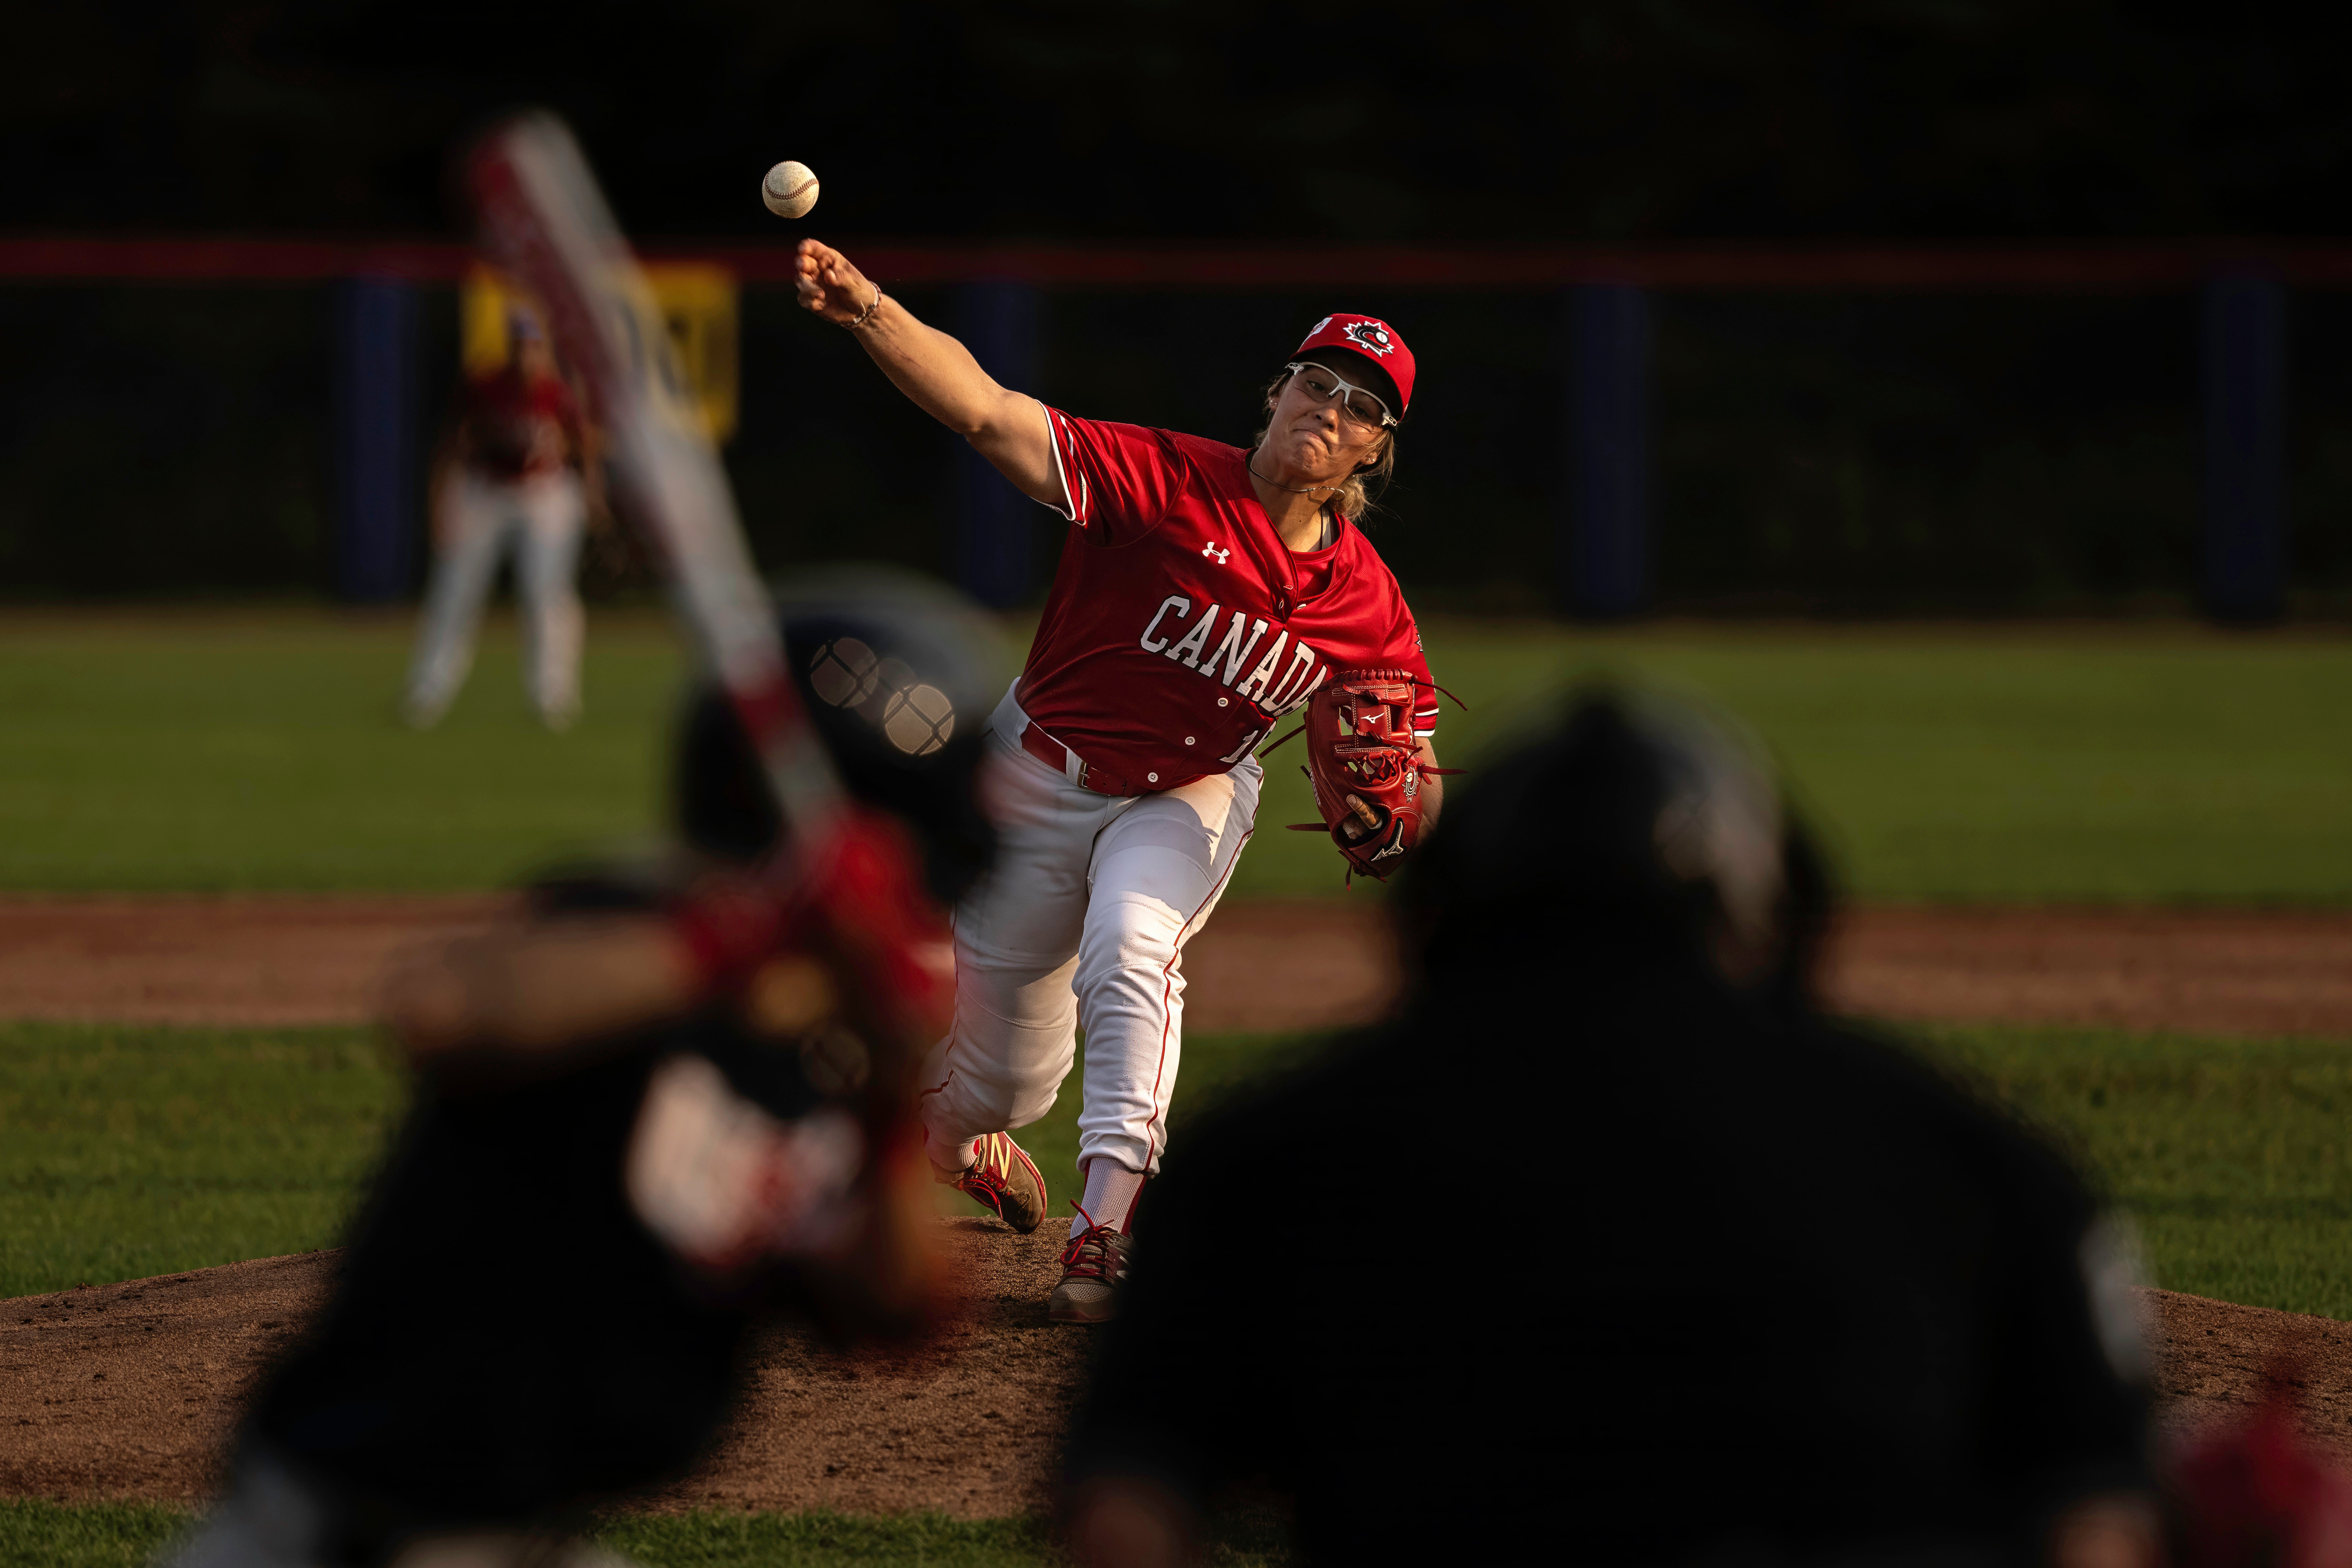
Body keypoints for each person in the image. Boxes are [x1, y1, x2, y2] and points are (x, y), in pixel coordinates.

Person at [1061, 690, 2164, 1568]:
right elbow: (2100, 1523)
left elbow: (1124, 1511)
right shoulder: (1964, 1155)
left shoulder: (1269, 1157)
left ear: (1446, 912)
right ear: (1771, 914)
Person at [161, 579, 1001, 1568]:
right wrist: (756, 926)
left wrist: (892, 1097)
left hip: (539, 1537)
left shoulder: (830, 1056)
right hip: (347, 1535)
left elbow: (896, 1313)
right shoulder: (625, 938)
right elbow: (443, 1010)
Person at [793, 240, 1448, 1322]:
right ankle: (956, 1140)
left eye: (1362, 407)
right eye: (1318, 381)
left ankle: (1104, 1236)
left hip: (1188, 792)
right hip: (1035, 775)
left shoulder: (1370, 607)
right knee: (1007, 1085)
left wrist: (1397, 813)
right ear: (1277, 391)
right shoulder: (1163, 478)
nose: (1330, 408)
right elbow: (990, 415)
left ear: (1374, 453)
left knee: (1136, 941)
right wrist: (869, 309)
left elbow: (1417, 778)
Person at [402, 307, 604, 732]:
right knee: (455, 590)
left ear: (542, 348)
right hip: (486, 490)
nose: (525, 353)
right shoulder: (484, 385)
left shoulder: (558, 391)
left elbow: (585, 445)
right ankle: (428, 692)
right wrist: (440, 503)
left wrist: (592, 496)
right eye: (519, 344)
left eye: (532, 345)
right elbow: (450, 445)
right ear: (510, 345)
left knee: (547, 594)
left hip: (544, 493)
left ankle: (554, 699)